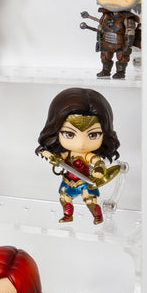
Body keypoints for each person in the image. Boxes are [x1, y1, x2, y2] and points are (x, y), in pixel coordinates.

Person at [36, 87, 121, 224]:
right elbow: (53, 156)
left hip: (85, 183)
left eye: (93, 135)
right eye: (70, 134)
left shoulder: (87, 155)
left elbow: (97, 162)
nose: (81, 143)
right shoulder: (66, 154)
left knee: (90, 201)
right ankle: (68, 215)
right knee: (64, 198)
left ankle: (98, 216)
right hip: (68, 181)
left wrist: (99, 169)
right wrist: (50, 156)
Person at [80, 0, 142, 80]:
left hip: (121, 44)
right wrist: (99, 39)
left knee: (122, 57)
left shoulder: (128, 18)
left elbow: (130, 32)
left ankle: (120, 72)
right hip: (106, 43)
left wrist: (128, 46)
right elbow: (100, 27)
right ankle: (105, 70)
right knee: (105, 56)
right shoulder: (105, 15)